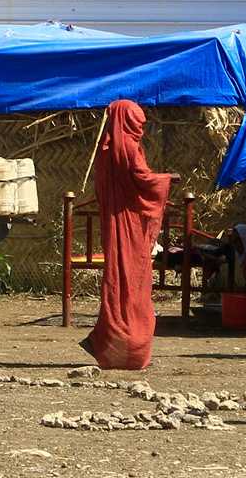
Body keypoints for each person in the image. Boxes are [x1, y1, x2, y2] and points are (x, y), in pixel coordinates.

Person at [80, 100, 177, 370]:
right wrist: (167, 179)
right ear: (128, 122)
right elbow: (144, 181)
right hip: (130, 226)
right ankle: (130, 346)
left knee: (118, 279)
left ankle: (109, 342)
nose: (141, 130)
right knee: (133, 281)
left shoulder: (107, 150)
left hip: (114, 223)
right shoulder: (128, 150)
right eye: (138, 124)